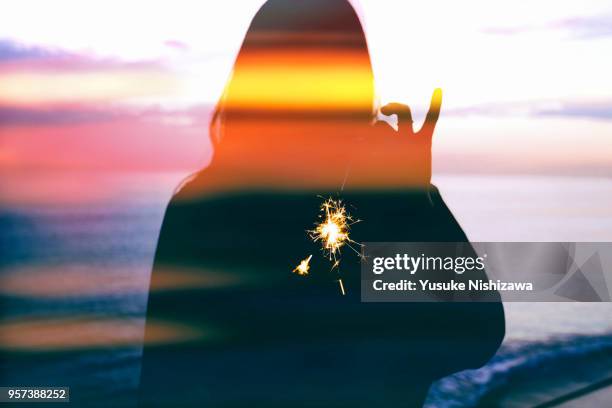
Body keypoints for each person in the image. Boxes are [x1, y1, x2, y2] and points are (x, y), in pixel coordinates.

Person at [139, 0, 505, 406]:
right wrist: (412, 200)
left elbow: (162, 381)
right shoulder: (368, 217)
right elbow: (474, 335)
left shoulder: (201, 208)